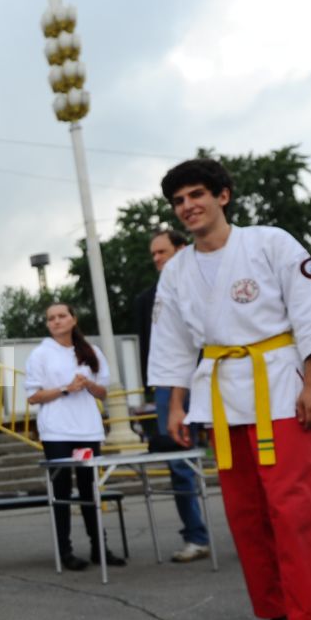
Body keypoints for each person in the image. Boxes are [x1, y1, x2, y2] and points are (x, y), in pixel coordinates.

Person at [149, 157, 311, 620]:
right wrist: (175, 405)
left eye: (196, 194)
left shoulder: (271, 242)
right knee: (245, 510)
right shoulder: (175, 271)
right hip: (220, 394)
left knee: (294, 507)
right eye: (178, 201)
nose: (188, 206)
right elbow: (172, 343)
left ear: (222, 196)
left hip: (280, 386)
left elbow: (310, 312)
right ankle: (278, 607)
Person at [131, 229, 213, 561]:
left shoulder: (208, 278)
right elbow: (150, 349)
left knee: (240, 450)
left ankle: (263, 529)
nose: (157, 259)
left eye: (162, 251)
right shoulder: (146, 300)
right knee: (178, 462)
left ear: (181, 248)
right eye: (153, 254)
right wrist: (155, 391)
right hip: (168, 386)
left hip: (214, 375)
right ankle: (196, 536)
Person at [26, 302, 125, 571]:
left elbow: (103, 392)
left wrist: (88, 384)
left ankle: (99, 547)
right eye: (51, 318)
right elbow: (33, 395)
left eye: (61, 316)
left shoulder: (90, 351)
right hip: (57, 432)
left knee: (89, 489)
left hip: (88, 429)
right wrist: (66, 388)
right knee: (61, 492)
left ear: (73, 319)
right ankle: (65, 550)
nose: (56, 321)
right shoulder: (40, 354)